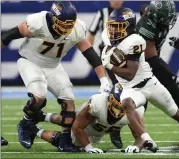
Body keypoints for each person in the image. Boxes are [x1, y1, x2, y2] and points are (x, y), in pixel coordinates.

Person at [101, 7, 179, 157]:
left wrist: (109, 65)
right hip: (130, 89)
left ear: (128, 27)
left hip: (149, 83)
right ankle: (146, 139)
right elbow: (105, 40)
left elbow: (130, 73)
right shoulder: (107, 36)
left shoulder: (136, 40)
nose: (113, 31)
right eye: (112, 26)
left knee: (177, 113)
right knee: (127, 104)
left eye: (118, 27)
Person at [1, 1, 111, 152]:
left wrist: (103, 79)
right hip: (30, 60)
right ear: (53, 18)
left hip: (53, 65)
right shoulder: (38, 22)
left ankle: (64, 141)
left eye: (69, 25)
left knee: (69, 101)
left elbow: (89, 53)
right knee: (39, 96)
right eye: (63, 24)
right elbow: (8, 35)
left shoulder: (77, 28)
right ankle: (26, 124)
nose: (66, 28)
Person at [135, 0, 179, 146]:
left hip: (152, 60)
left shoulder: (156, 14)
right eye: (164, 19)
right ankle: (129, 134)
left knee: (176, 94)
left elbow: (143, 8)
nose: (168, 21)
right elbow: (152, 60)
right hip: (139, 65)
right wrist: (176, 78)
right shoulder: (147, 25)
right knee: (140, 102)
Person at [28, 84, 149, 153]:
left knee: (75, 124)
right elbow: (77, 127)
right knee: (70, 134)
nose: (118, 109)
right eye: (116, 104)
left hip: (99, 130)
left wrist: (136, 147)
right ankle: (34, 130)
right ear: (109, 99)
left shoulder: (135, 110)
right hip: (87, 125)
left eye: (122, 106)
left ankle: (41, 116)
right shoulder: (98, 103)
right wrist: (88, 147)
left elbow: (141, 135)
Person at [87, 0, 124, 149]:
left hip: (123, 58)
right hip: (107, 57)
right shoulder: (102, 13)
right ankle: (100, 126)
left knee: (122, 93)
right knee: (109, 91)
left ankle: (115, 128)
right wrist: (90, 56)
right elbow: (91, 34)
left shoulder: (126, 14)